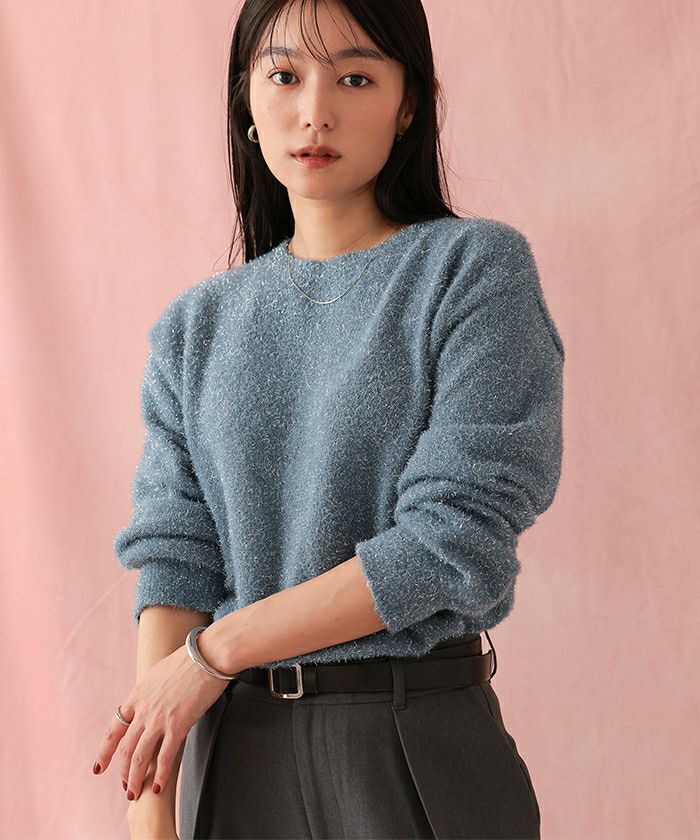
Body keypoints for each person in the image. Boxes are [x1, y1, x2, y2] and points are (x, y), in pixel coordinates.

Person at [93, 0, 565, 837]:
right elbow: (175, 561)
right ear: (245, 99)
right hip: (234, 756)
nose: (315, 111)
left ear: (410, 103)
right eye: (284, 75)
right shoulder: (195, 328)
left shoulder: (471, 271)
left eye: (355, 78)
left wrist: (217, 652)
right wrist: (150, 813)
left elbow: (449, 543)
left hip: (407, 741)